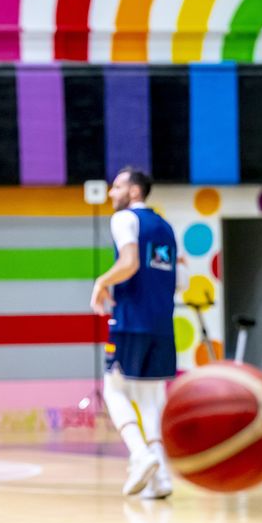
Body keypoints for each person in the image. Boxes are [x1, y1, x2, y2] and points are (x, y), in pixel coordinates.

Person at [90, 167, 178, 500]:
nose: (112, 193)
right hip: (162, 324)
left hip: (129, 321)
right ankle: (161, 478)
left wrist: (102, 281)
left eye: (117, 187)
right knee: (152, 398)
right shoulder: (166, 227)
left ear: (135, 192)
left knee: (113, 389)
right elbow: (178, 279)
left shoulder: (125, 219)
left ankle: (140, 455)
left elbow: (129, 262)